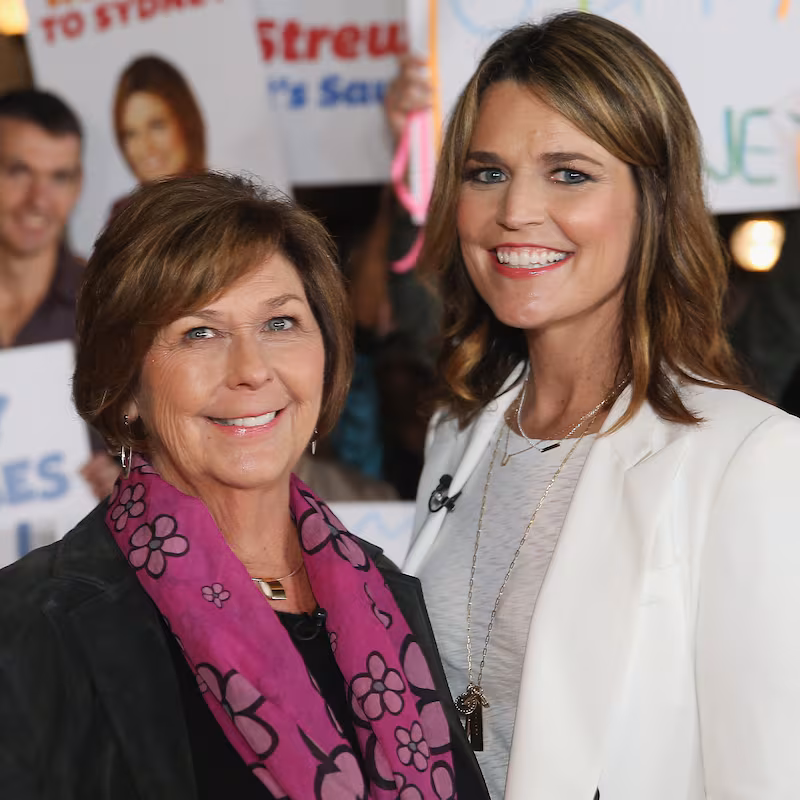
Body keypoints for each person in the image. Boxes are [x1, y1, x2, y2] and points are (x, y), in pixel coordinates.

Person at [403, 12, 800, 800]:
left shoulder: (748, 457)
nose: (515, 210)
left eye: (569, 173)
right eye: (486, 172)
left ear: (651, 199)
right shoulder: (458, 432)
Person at [0, 172, 488, 799]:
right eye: (199, 332)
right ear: (125, 388)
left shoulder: (389, 594)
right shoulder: (37, 624)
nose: (252, 370)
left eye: (280, 323)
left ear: (328, 353)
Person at [0, 88, 118, 499]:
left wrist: (127, 481)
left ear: (78, 184)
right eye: (18, 172)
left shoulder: (111, 307)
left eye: (59, 177)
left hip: (74, 555)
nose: (38, 201)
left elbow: (156, 447)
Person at [113, 55, 206, 187]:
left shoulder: (230, 203)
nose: (145, 147)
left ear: (187, 122)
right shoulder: (124, 208)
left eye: (157, 126)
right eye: (131, 133)